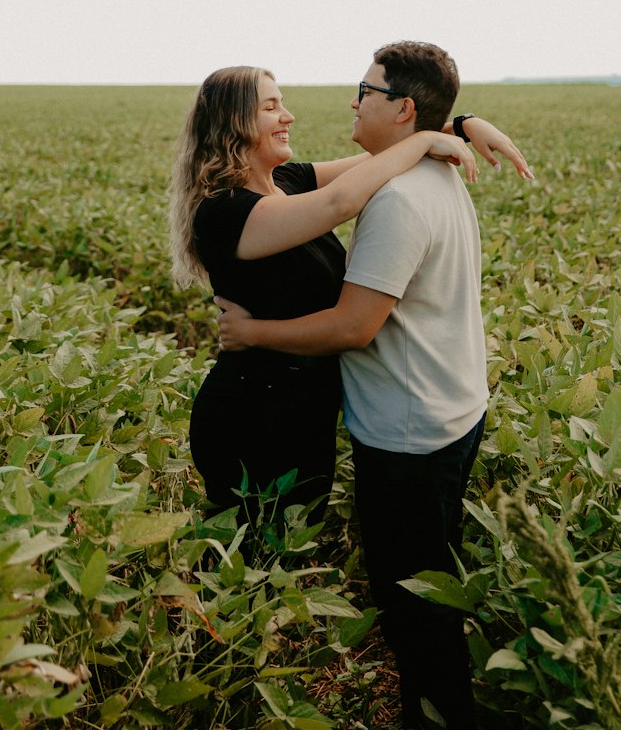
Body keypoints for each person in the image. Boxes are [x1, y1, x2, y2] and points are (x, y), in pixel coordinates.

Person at [217, 42, 520, 730]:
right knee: (432, 578)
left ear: (403, 109)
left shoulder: (399, 201)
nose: (351, 101)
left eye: (365, 89)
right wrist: (455, 128)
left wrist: (254, 333)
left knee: (411, 600)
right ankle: (445, 727)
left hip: (408, 431)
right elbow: (345, 188)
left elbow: (354, 326)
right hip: (450, 408)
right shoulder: (431, 173)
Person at [170, 64, 528, 529]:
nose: (288, 116)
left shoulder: (289, 181)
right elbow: (341, 202)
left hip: (305, 411)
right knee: (253, 558)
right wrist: (423, 140)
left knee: (287, 549)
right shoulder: (223, 213)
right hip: (254, 414)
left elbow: (379, 159)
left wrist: (459, 124)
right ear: (233, 120)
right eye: (271, 107)